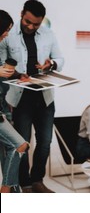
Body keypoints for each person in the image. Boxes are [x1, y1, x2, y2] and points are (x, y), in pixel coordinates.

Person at [0, 0, 64, 193]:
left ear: (42, 21)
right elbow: (2, 64)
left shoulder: (48, 34)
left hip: (45, 98)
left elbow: (60, 59)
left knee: (45, 142)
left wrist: (50, 64)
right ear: (22, 14)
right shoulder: (7, 35)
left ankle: (37, 181)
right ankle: (24, 184)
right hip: (19, 98)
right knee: (22, 143)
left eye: (36, 24)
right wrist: (16, 74)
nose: (30, 26)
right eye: (27, 21)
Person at [0, 10, 29, 193]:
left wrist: (18, 75)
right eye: (6, 29)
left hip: (3, 106)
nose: (7, 34)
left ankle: (13, 190)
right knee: (20, 144)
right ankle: (6, 190)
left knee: (7, 151)